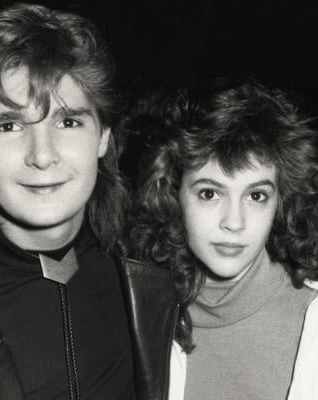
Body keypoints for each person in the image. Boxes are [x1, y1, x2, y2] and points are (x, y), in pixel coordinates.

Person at [0, 3, 177, 400]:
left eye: (68, 121)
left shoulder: (152, 275)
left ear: (103, 136)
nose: (42, 155)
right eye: (9, 125)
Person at [130, 81, 318, 400]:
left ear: (280, 202)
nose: (234, 222)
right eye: (210, 193)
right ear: (173, 194)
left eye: (256, 195)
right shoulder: (138, 313)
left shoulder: (309, 317)